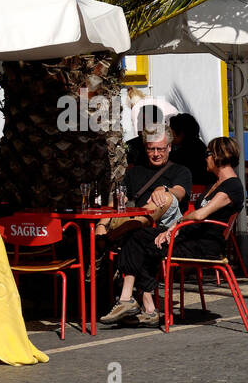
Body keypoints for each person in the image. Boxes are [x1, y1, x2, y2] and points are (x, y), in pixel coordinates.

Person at [100, 137, 245, 327]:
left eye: (208, 154)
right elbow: (194, 217)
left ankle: (138, 303)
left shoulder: (232, 185)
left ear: (218, 156)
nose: (205, 158)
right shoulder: (214, 184)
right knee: (137, 234)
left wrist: (173, 230)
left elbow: (201, 215)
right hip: (190, 237)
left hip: (203, 246)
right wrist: (171, 230)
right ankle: (136, 302)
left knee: (144, 242)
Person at [96, 125, 192, 253]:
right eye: (151, 149)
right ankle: (131, 227)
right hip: (139, 229)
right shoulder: (135, 172)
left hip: (166, 228)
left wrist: (164, 189)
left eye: (160, 149)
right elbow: (120, 198)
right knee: (136, 234)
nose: (156, 154)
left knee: (166, 198)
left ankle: (119, 232)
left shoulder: (180, 171)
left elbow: (180, 192)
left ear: (169, 147)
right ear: (145, 148)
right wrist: (102, 224)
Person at [168, 113, 212, 187]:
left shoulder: (181, 154)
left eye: (171, 132)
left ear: (180, 133)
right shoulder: (202, 147)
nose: (169, 136)